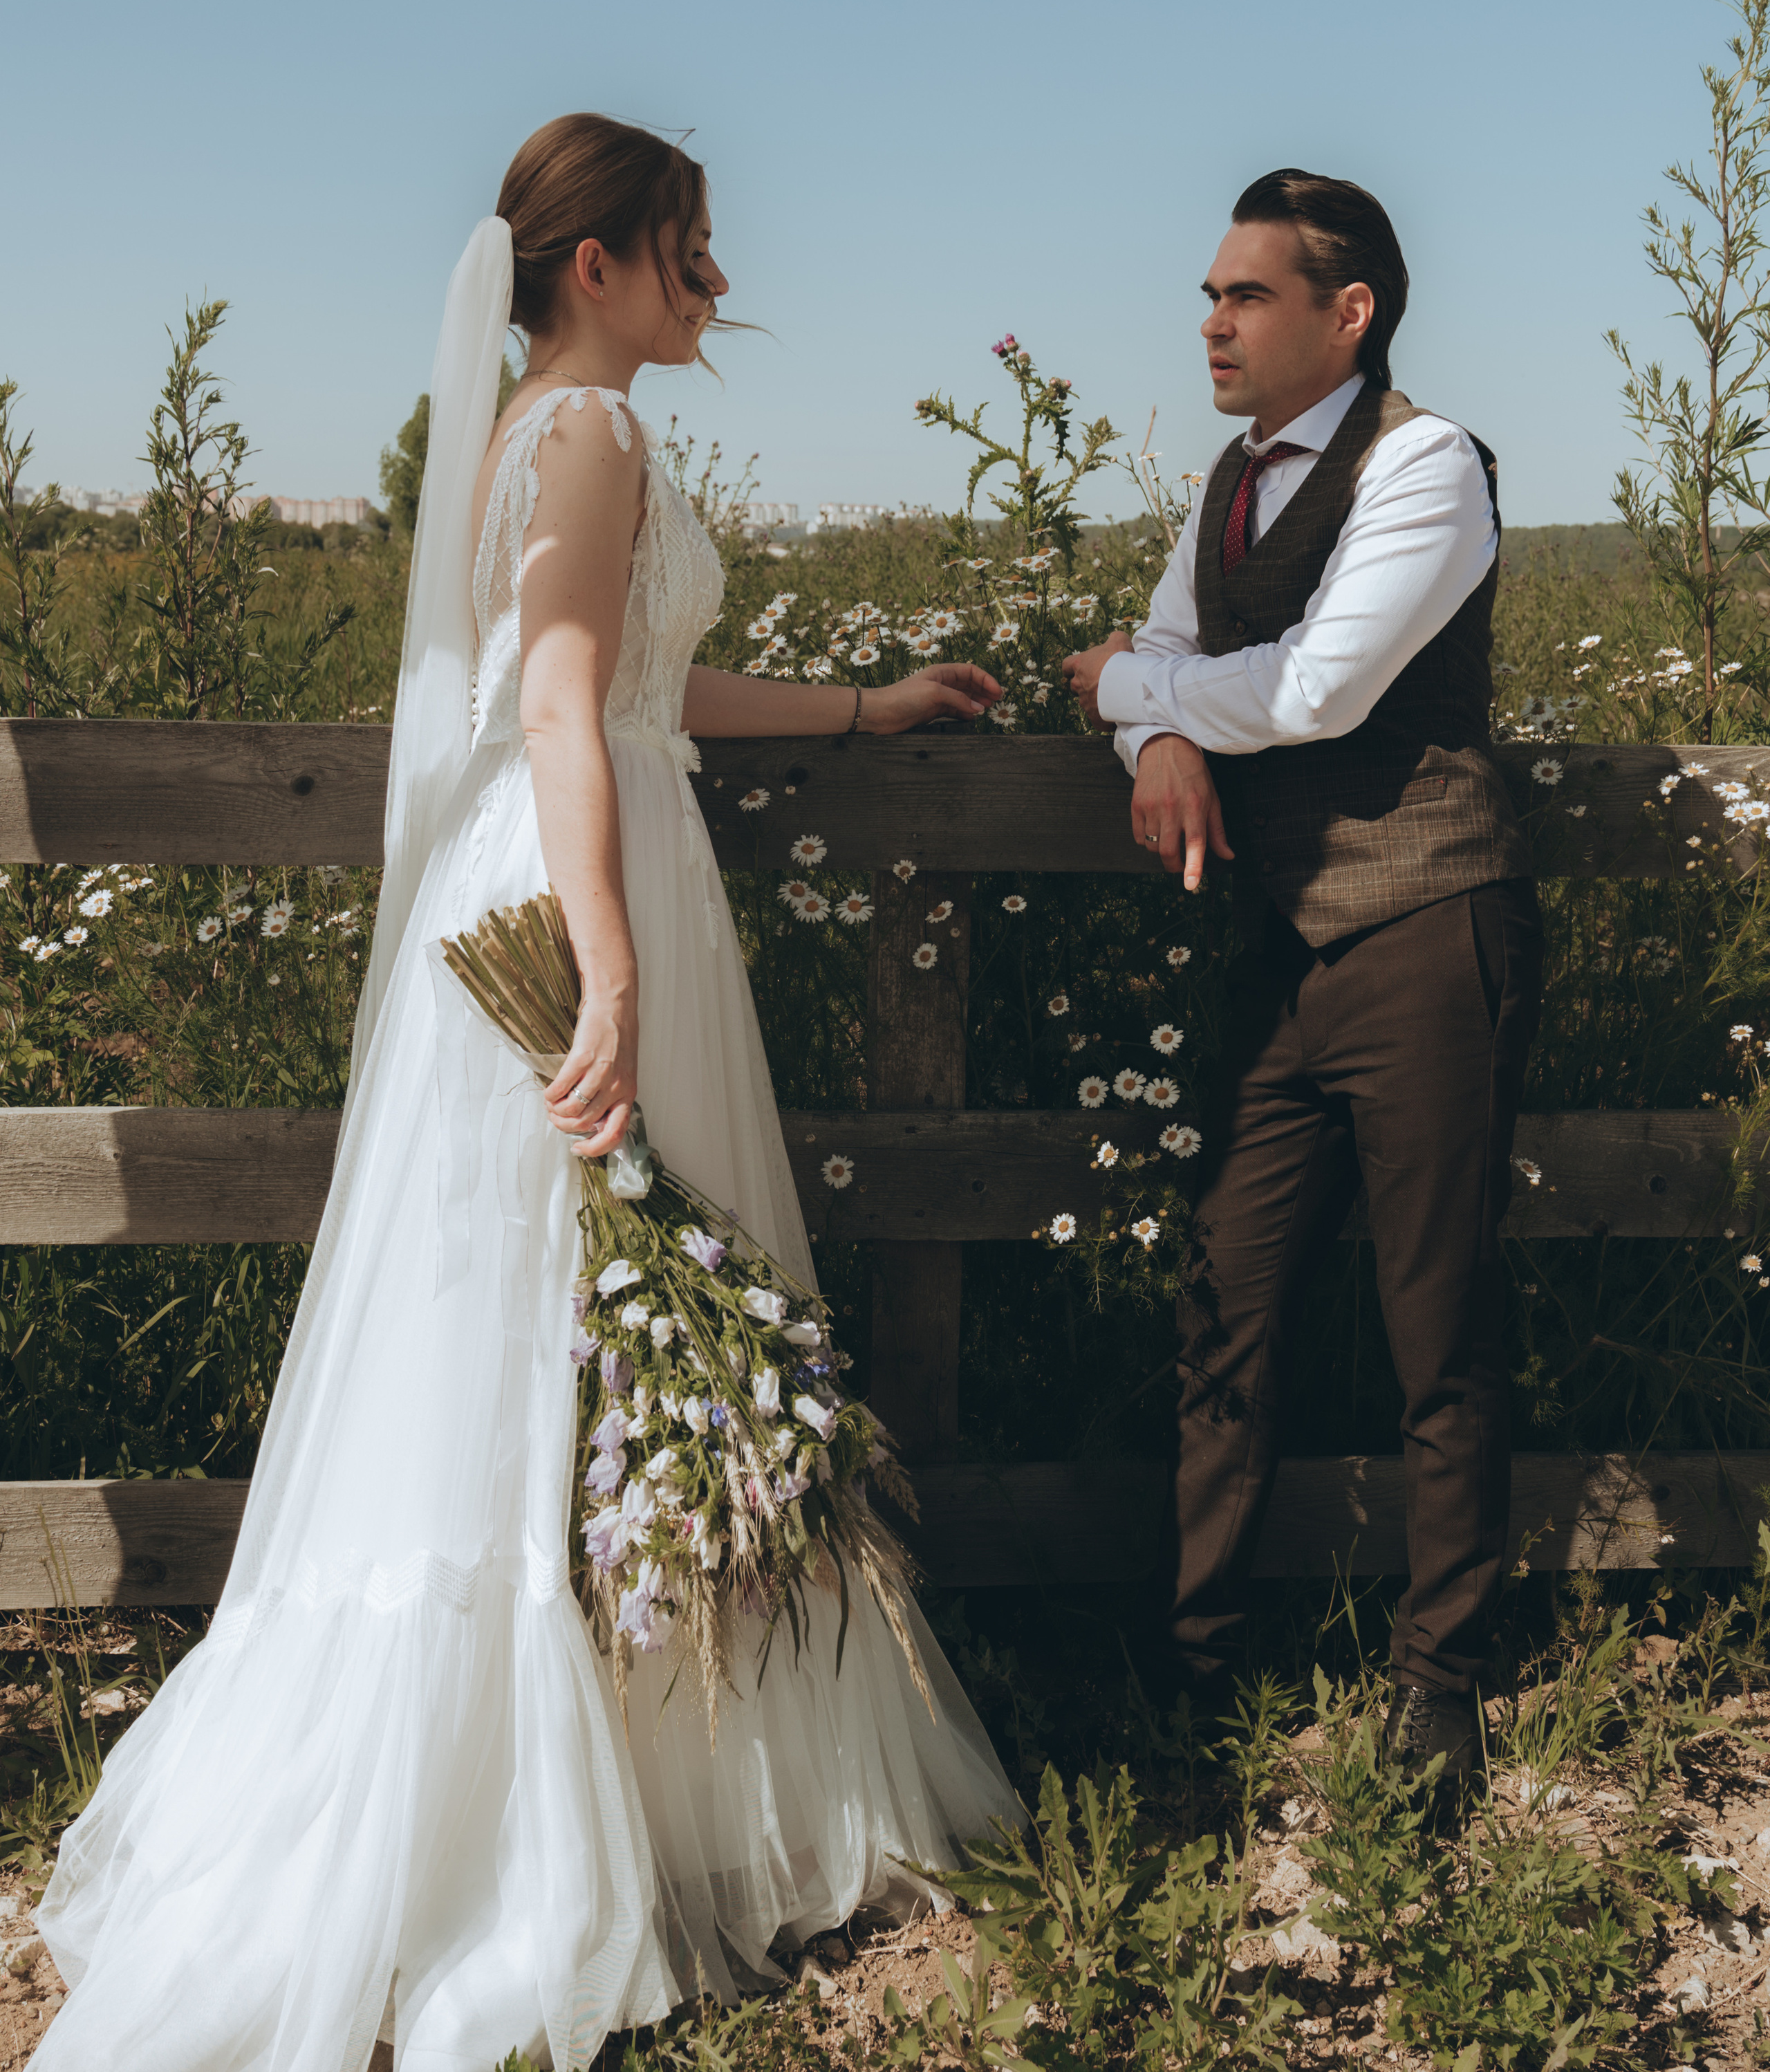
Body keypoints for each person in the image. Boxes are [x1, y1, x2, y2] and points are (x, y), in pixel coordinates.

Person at [35, 113, 1017, 2072]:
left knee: (531, 1340)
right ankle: (538, 1811)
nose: (714, 286)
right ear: (597, 267)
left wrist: (858, 708)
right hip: (574, 883)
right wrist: (617, 958)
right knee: (536, 1340)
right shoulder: (590, 432)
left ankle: (629, 1765)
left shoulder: (538, 435)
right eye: (689, 251)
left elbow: (631, 683)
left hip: (579, 841)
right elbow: (563, 697)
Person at [1064, 169, 1540, 1789]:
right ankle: (1195, 1671)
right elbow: (1159, 676)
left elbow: (1327, 685)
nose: (1206, 319)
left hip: (1423, 930)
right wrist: (1157, 718)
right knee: (1226, 1303)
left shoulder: (1426, 462)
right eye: (1206, 293)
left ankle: (1438, 1689)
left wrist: (1136, 686)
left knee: (1438, 1324)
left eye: (1241, 294)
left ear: (1345, 313)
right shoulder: (1225, 484)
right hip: (1281, 949)